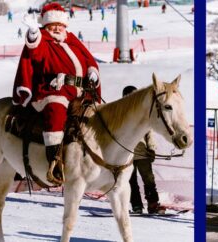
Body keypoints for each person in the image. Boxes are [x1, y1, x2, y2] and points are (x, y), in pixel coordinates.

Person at [12, 2, 101, 185]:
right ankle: (54, 162)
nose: (57, 28)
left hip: (79, 90)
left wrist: (92, 70)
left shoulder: (71, 38)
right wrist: (33, 33)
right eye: (54, 25)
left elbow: (88, 57)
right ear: (46, 24)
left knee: (98, 115)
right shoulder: (43, 38)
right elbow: (34, 52)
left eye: (60, 25)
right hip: (52, 89)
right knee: (56, 110)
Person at [123, 86, 165, 215]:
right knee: (131, 181)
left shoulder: (143, 113)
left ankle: (153, 204)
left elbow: (149, 132)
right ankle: (136, 205)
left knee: (149, 180)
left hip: (142, 153)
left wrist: (151, 148)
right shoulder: (121, 113)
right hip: (126, 154)